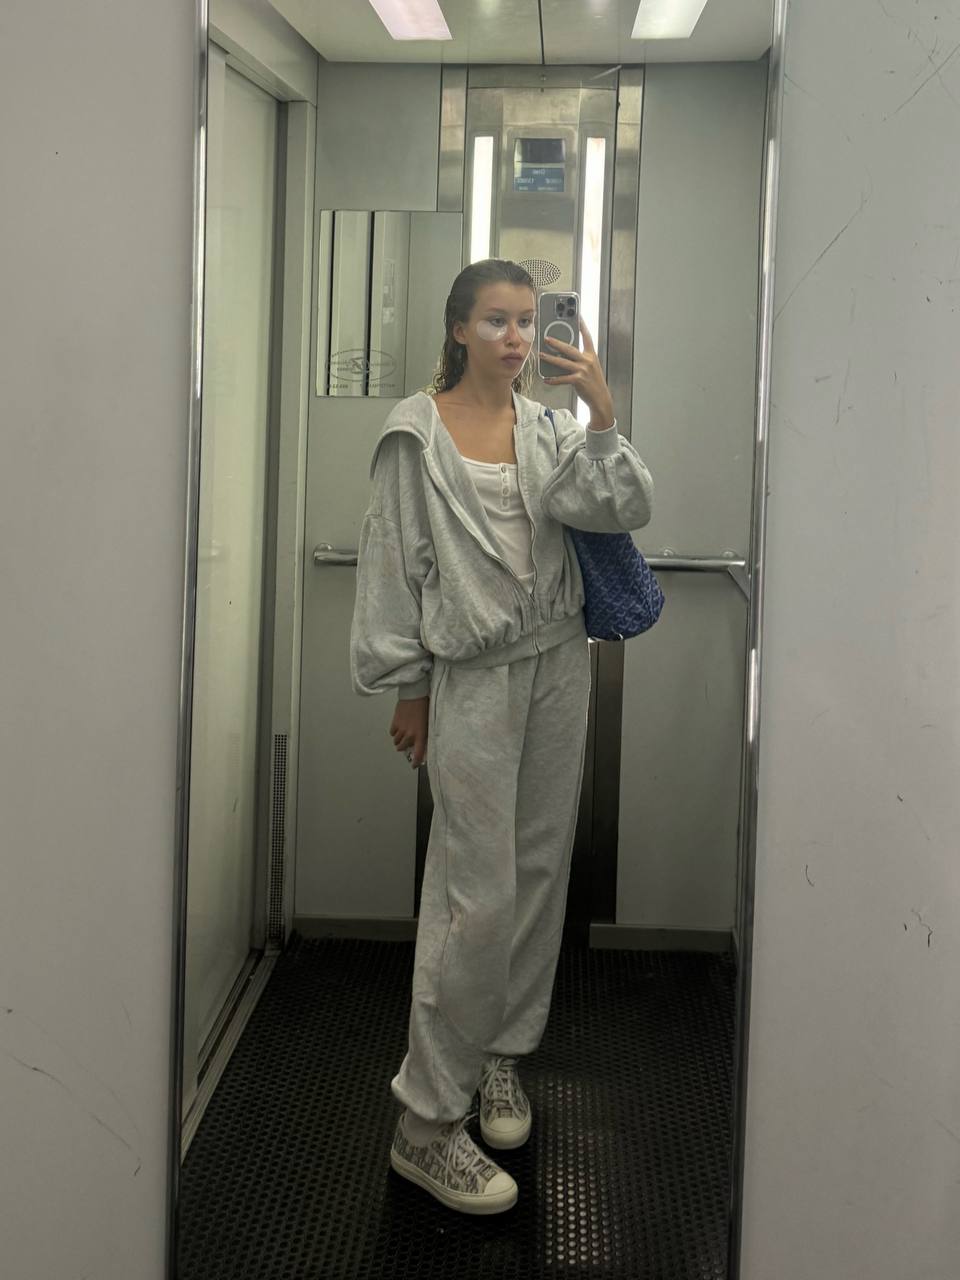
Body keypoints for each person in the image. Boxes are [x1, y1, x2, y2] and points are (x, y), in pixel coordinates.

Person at [349, 258, 654, 1215]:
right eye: (496, 320)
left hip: (559, 664)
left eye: (528, 320)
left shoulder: (547, 427)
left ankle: (499, 1058)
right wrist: (409, 688)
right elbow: (393, 565)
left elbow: (619, 508)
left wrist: (601, 414)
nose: (518, 337)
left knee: (537, 869)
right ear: (458, 329)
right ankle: (425, 1123)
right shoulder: (415, 435)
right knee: (472, 896)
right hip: (473, 678)